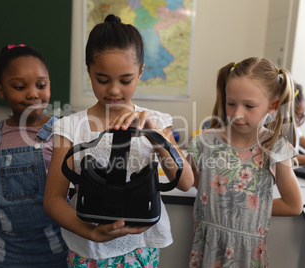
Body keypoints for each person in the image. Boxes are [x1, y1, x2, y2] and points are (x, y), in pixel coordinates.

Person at [43, 14, 194, 267]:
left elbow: (186, 181)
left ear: (141, 72)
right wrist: (92, 232)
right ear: (88, 70)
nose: (113, 90)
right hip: (89, 247)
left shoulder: (156, 121)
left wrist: (154, 135)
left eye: (126, 80)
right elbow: (53, 200)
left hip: (141, 247)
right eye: (102, 80)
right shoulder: (70, 127)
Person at [186, 57, 303, 267]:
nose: (237, 114)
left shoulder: (276, 148)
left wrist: (250, 207)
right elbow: (197, 183)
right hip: (207, 246)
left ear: (273, 105)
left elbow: (293, 205)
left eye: (249, 106)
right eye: (231, 103)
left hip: (247, 253)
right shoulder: (205, 142)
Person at [0, 44, 68, 267]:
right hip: (9, 247)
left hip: (57, 241)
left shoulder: (63, 132)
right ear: (1, 90)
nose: (32, 94)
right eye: (20, 86)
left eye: (41, 85)